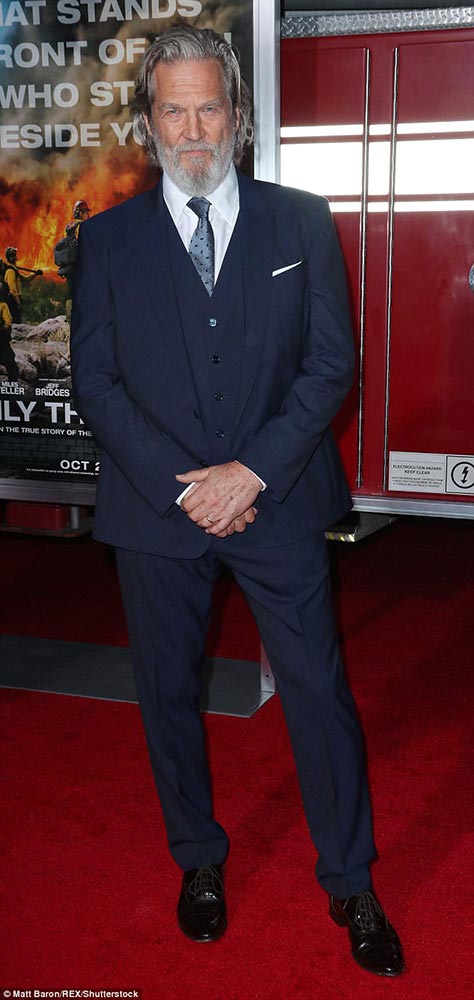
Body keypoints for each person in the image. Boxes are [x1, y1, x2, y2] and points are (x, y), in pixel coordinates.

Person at [71, 26, 404, 977]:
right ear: (147, 122)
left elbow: (332, 363)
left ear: (240, 115)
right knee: (168, 695)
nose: (191, 129)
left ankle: (351, 879)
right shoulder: (105, 241)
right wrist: (188, 488)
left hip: (280, 500)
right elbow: (96, 382)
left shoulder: (301, 220)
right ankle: (199, 861)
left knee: (319, 692)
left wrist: (248, 473)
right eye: (171, 110)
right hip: (157, 510)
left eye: (207, 107)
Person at [3, 246, 42, 324]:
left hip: (15, 299)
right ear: (11, 258)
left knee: (18, 321)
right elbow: (12, 290)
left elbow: (25, 279)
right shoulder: (10, 271)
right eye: (14, 255)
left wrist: (35, 274)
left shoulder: (14, 270)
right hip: (12, 300)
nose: (16, 257)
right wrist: (18, 302)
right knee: (15, 322)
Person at [0, 281, 19, 381]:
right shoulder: (3, 306)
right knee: (11, 365)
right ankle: (12, 385)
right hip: (1, 338)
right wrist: (6, 334)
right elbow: (8, 323)